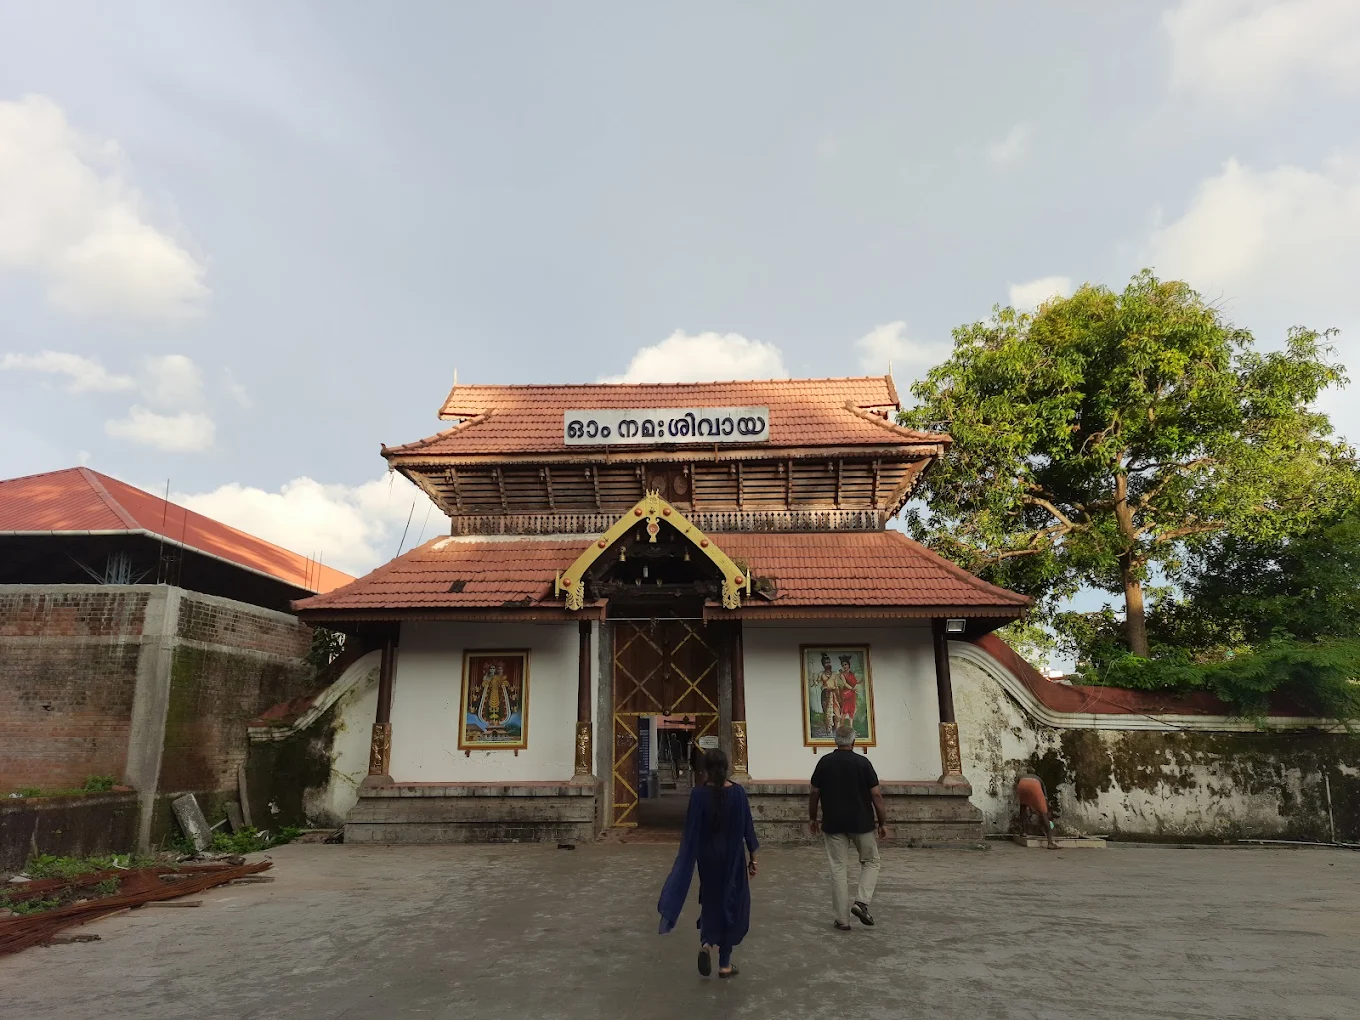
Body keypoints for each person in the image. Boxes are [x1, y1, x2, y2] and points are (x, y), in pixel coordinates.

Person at [657, 748, 760, 978]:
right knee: (732, 903)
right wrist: (753, 858)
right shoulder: (738, 793)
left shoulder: (698, 795)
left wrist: (689, 857)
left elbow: (691, 830)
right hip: (733, 858)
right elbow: (748, 829)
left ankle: (707, 943)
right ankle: (724, 963)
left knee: (712, 900)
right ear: (727, 767)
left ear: (704, 769)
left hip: (708, 858)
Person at [809, 721, 886, 930]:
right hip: (862, 822)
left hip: (833, 823)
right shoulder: (863, 763)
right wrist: (883, 822)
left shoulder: (824, 762)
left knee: (838, 868)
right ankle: (861, 901)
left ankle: (842, 920)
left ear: (835, 741)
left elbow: (814, 792)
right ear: (854, 741)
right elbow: (876, 795)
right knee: (871, 861)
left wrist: (812, 818)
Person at [1015, 774, 1059, 849]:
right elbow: (1044, 796)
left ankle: (1024, 832)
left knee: (1023, 808)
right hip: (1034, 785)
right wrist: (1045, 810)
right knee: (1043, 813)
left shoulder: (1022, 777)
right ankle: (1050, 843)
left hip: (1021, 785)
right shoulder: (1039, 781)